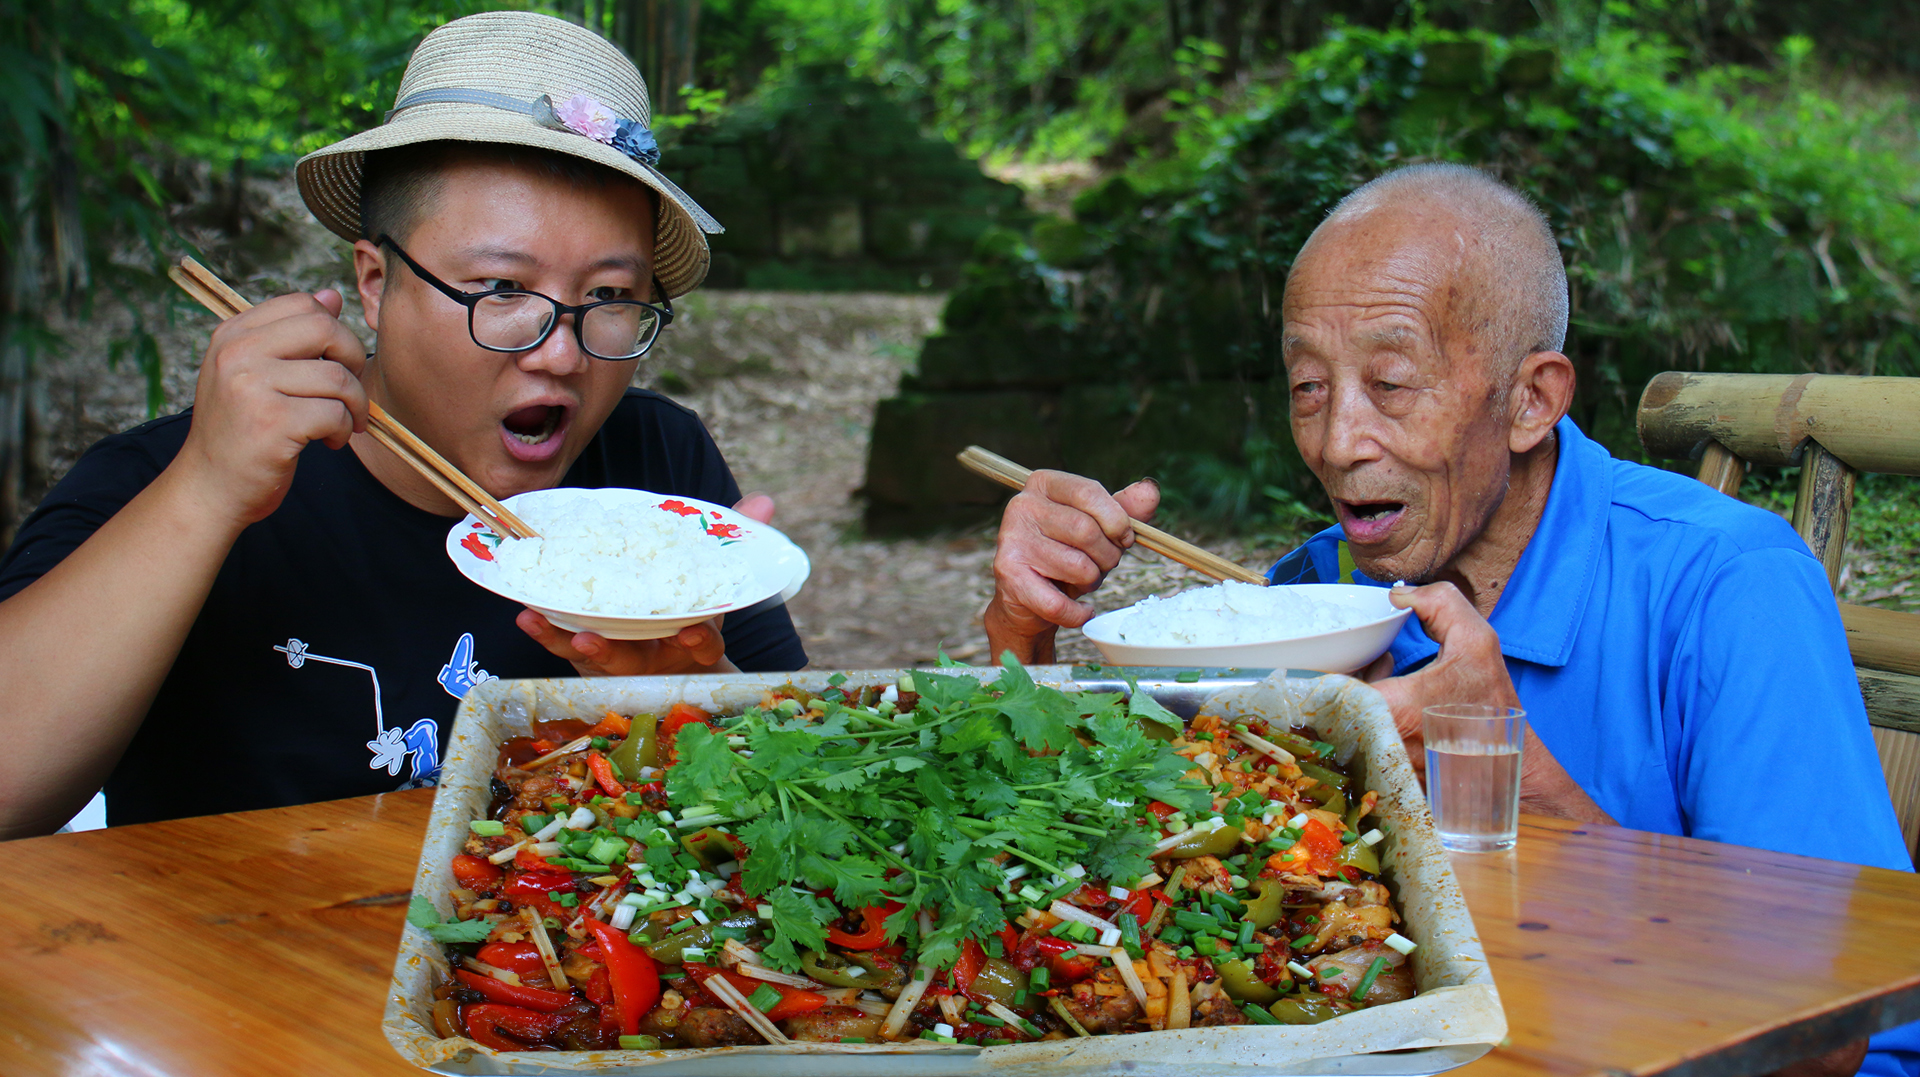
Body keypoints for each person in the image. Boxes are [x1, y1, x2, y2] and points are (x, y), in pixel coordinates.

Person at [983, 163, 1915, 1077]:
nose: (1338, 442)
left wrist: (1513, 779)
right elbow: (1113, 890)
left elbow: (1826, 1037)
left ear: (1530, 400)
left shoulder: (1727, 585)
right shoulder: (1312, 599)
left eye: (1391, 382)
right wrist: (1028, 636)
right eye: (1309, 386)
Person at [0, 11, 804, 838]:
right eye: (501, 288)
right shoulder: (169, 479)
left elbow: (809, 794)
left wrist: (697, 694)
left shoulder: (658, 468)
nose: (562, 353)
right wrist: (204, 494)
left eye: (607, 296)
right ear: (376, 282)